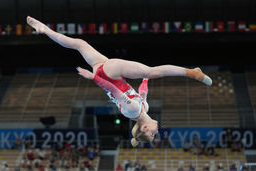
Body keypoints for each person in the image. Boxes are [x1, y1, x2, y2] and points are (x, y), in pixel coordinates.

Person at [27, 16, 212, 146]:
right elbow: (143, 92)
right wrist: (145, 79)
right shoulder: (143, 110)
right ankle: (44, 29)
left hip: (109, 75)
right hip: (107, 71)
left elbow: (114, 91)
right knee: (79, 44)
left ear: (145, 127)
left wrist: (94, 78)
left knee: (151, 70)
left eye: (153, 133)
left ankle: (192, 73)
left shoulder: (132, 111)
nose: (157, 131)